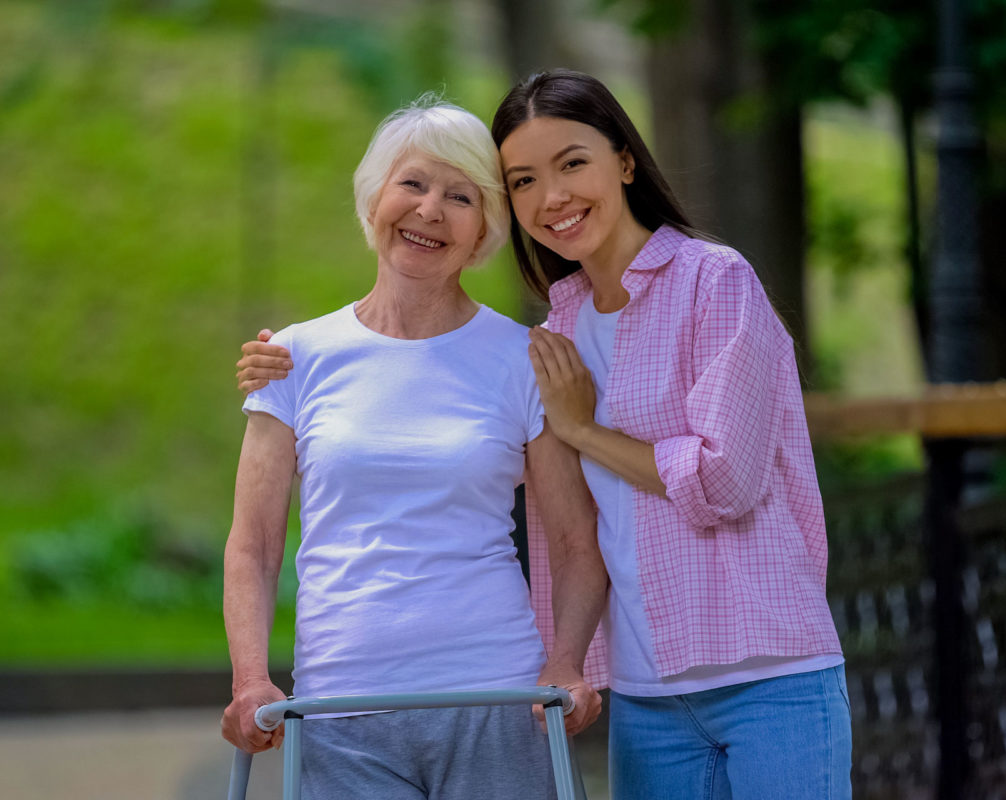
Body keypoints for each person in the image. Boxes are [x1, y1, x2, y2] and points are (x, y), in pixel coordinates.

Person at [238, 70, 850, 800]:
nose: (553, 197)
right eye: (524, 179)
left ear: (624, 161)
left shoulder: (708, 285)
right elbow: (566, 532)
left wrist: (583, 430)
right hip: (644, 688)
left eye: (572, 164)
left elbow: (714, 484)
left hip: (763, 666)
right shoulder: (557, 331)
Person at [221, 96, 605, 800]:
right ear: (375, 197)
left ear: (484, 228)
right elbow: (252, 543)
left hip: (497, 700)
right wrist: (250, 679)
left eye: (461, 196)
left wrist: (569, 661)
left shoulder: (527, 358)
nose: (430, 211)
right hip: (340, 710)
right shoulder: (294, 358)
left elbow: (577, 538)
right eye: (414, 184)